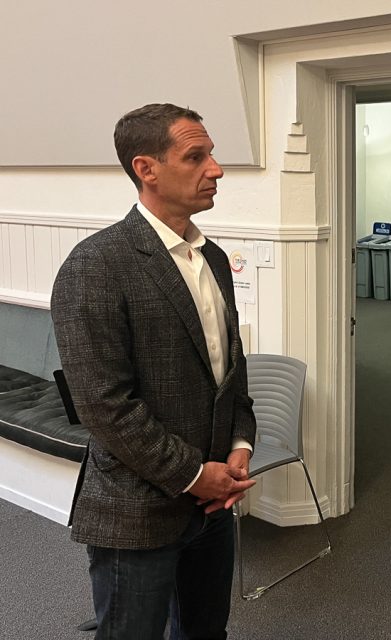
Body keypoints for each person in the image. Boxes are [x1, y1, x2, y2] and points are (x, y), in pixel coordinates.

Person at [51, 103, 257, 640]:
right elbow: (103, 405)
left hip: (214, 506)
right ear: (147, 169)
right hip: (137, 509)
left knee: (206, 632)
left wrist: (240, 445)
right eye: (196, 156)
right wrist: (194, 474)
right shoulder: (96, 265)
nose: (215, 169)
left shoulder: (211, 259)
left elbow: (229, 371)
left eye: (212, 154)